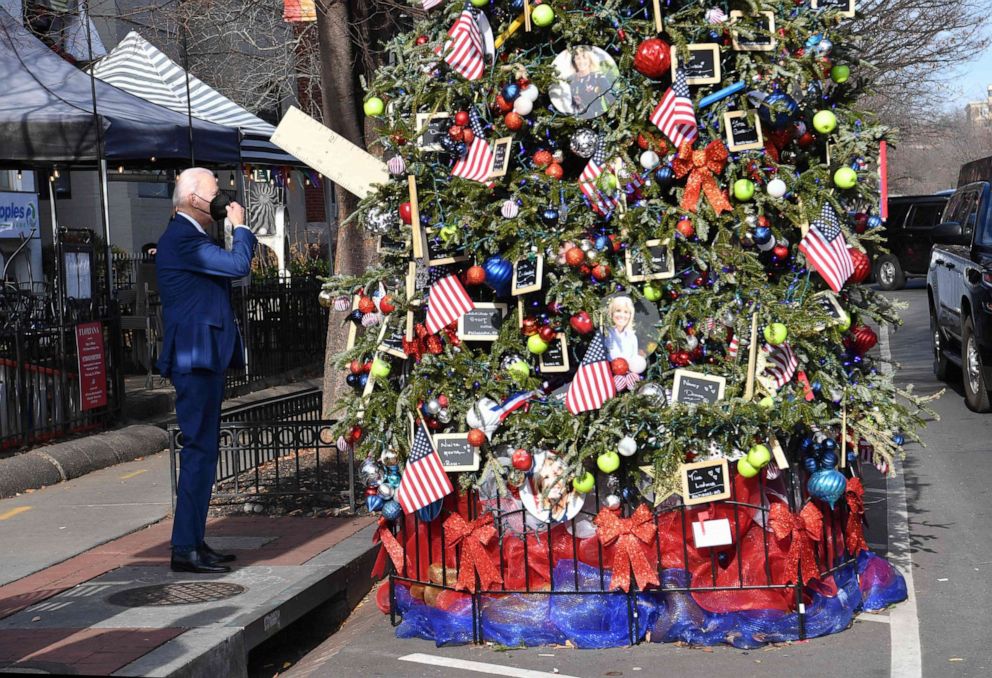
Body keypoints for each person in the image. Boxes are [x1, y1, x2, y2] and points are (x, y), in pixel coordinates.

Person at [156, 168, 257, 574]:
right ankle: (184, 548)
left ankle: (194, 541)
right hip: (194, 359)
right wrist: (240, 228)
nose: (222, 199)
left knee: (205, 451)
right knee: (199, 451)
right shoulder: (182, 239)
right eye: (216, 193)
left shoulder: (192, 238)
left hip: (206, 357)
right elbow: (237, 266)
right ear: (195, 199)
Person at [566, 47, 615, 120]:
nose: (581, 61)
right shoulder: (570, 79)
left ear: (590, 60)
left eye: (584, 58)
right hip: (576, 119)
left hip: (597, 118)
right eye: (578, 58)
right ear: (574, 61)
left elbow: (611, 98)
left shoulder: (598, 77)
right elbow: (568, 103)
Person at [604, 296, 641, 363]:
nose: (622, 315)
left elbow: (634, 361)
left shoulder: (632, 337)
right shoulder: (606, 334)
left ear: (630, 315)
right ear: (612, 313)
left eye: (626, 312)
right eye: (618, 311)